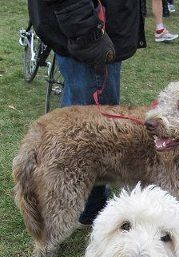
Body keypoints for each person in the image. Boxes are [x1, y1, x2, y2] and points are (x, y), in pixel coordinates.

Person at [27, 0, 146, 225]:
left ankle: (70, 198)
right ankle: (91, 209)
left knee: (76, 123)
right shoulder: (89, 34)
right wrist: (88, 34)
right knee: (93, 136)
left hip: (92, 31)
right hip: (89, 35)